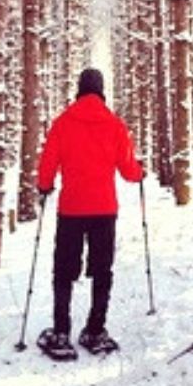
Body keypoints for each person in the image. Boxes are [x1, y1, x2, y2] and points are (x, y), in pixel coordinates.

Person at [34, 67, 144, 360]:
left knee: (64, 270)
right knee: (102, 269)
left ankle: (60, 331)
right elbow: (128, 169)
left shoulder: (63, 123)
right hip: (104, 210)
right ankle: (95, 329)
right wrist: (139, 172)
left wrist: (44, 186)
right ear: (101, 90)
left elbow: (48, 162)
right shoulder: (115, 125)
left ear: (79, 90)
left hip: (71, 208)